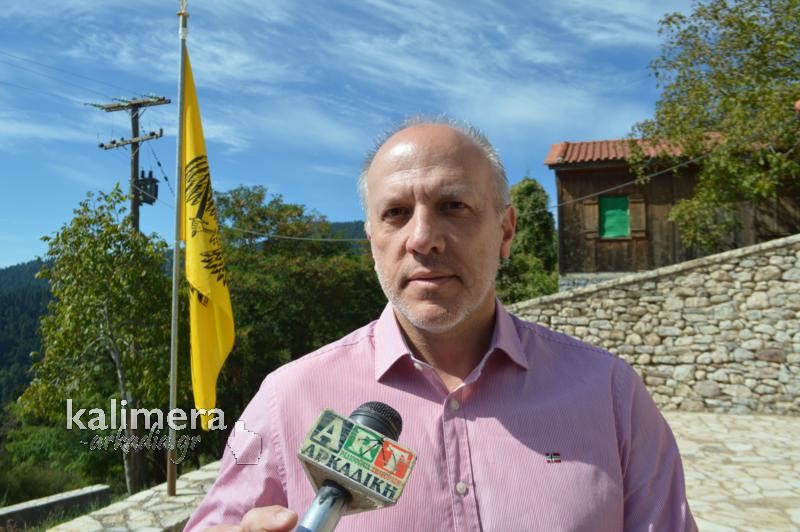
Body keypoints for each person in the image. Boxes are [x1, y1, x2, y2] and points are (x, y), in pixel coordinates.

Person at [186, 118, 697, 531]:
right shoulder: (286, 399)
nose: (423, 237)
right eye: (395, 213)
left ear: (506, 231)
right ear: (372, 241)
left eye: (453, 206)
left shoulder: (610, 394)